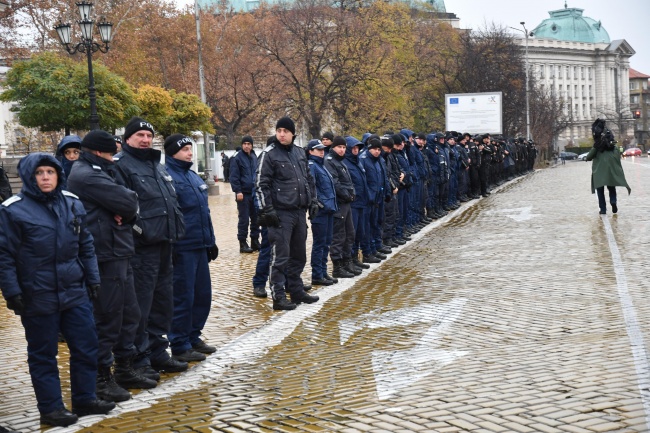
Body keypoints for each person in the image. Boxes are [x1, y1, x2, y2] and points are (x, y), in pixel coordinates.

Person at [0, 153, 115, 427]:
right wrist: (12, 291)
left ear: (58, 175)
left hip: (74, 291)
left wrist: (93, 278)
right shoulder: (13, 210)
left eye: (50, 172)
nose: (45, 177)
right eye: (39, 173)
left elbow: (85, 244)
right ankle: (51, 408)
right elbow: (4, 256)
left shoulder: (71, 203)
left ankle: (85, 398)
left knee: (86, 346)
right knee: (43, 354)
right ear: (30, 177)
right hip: (37, 294)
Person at [68, 130, 156, 403]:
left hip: (119, 249)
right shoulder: (86, 173)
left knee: (129, 313)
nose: (114, 156)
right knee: (107, 317)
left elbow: (130, 201)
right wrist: (123, 207)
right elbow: (128, 200)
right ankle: (100, 377)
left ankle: (124, 367)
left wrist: (125, 210)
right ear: (98, 152)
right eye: (111, 152)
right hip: (104, 254)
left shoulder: (103, 170)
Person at [114, 117, 187, 377]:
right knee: (140, 307)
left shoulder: (157, 165)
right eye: (140, 135)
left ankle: (158, 352)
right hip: (141, 248)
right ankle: (139, 359)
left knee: (162, 304)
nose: (145, 140)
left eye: (148, 135)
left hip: (165, 243)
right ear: (128, 138)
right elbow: (122, 209)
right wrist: (139, 231)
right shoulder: (121, 165)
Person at [163, 134, 219, 363]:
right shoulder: (168, 176)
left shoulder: (193, 176)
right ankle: (179, 342)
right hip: (183, 246)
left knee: (202, 295)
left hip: (199, 244)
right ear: (172, 151)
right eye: (185, 149)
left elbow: (203, 212)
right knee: (183, 297)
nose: (190, 153)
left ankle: (193, 336)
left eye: (190, 148)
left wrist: (211, 240)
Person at [254, 116, 319, 311]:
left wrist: (313, 200)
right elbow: (260, 184)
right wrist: (268, 209)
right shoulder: (269, 154)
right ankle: (278, 295)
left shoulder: (300, 153)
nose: (281, 134)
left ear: (293, 133)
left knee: (298, 255)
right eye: (279, 130)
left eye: (286, 131)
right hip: (281, 213)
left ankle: (296, 289)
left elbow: (308, 179)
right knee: (280, 257)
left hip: (299, 212)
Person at [324, 136, 357, 279]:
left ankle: (346, 261)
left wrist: (352, 194)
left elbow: (348, 182)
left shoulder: (341, 162)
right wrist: (347, 195)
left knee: (350, 233)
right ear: (333, 148)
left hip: (346, 203)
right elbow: (335, 183)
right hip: (339, 203)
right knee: (339, 235)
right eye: (339, 147)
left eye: (344, 147)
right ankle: (337, 266)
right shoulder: (330, 162)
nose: (342, 150)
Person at [307, 139, 338, 286]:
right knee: (319, 244)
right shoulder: (312, 165)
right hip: (320, 211)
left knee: (326, 242)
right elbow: (312, 188)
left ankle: (323, 271)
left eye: (322, 149)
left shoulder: (322, 165)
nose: (321, 151)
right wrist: (319, 203)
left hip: (329, 209)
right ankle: (317, 274)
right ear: (310, 151)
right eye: (318, 149)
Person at [585, 119, 631, 214]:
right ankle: (613, 202)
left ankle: (603, 209)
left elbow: (589, 157)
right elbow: (618, 150)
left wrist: (587, 156)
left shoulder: (596, 146)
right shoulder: (613, 145)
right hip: (611, 170)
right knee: (611, 187)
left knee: (600, 190)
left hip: (599, 172)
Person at [230, 136, 260, 253]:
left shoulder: (253, 156)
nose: (246, 146)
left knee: (256, 218)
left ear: (252, 145)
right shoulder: (237, 158)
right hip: (243, 193)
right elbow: (234, 176)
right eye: (244, 144)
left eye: (249, 144)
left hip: (253, 192)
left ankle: (255, 240)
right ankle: (242, 242)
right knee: (244, 219)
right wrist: (238, 191)